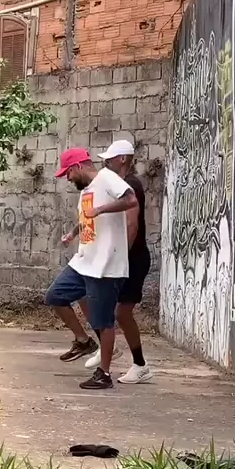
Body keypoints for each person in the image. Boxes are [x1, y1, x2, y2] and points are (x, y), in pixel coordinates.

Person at [45, 147, 138, 390]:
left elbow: (130, 200)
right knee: (55, 296)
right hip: (84, 261)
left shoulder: (107, 178)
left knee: (103, 320)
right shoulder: (86, 189)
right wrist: (73, 233)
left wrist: (100, 209)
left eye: (68, 173)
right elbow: (86, 217)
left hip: (105, 264)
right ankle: (83, 341)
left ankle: (104, 374)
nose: (67, 178)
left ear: (77, 166)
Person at [84, 140, 152, 384]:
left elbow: (132, 225)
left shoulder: (130, 185)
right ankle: (108, 349)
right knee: (102, 304)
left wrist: (122, 256)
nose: (106, 162)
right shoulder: (118, 184)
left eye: (110, 159)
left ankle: (140, 365)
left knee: (121, 313)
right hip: (125, 256)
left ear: (122, 159)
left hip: (133, 258)